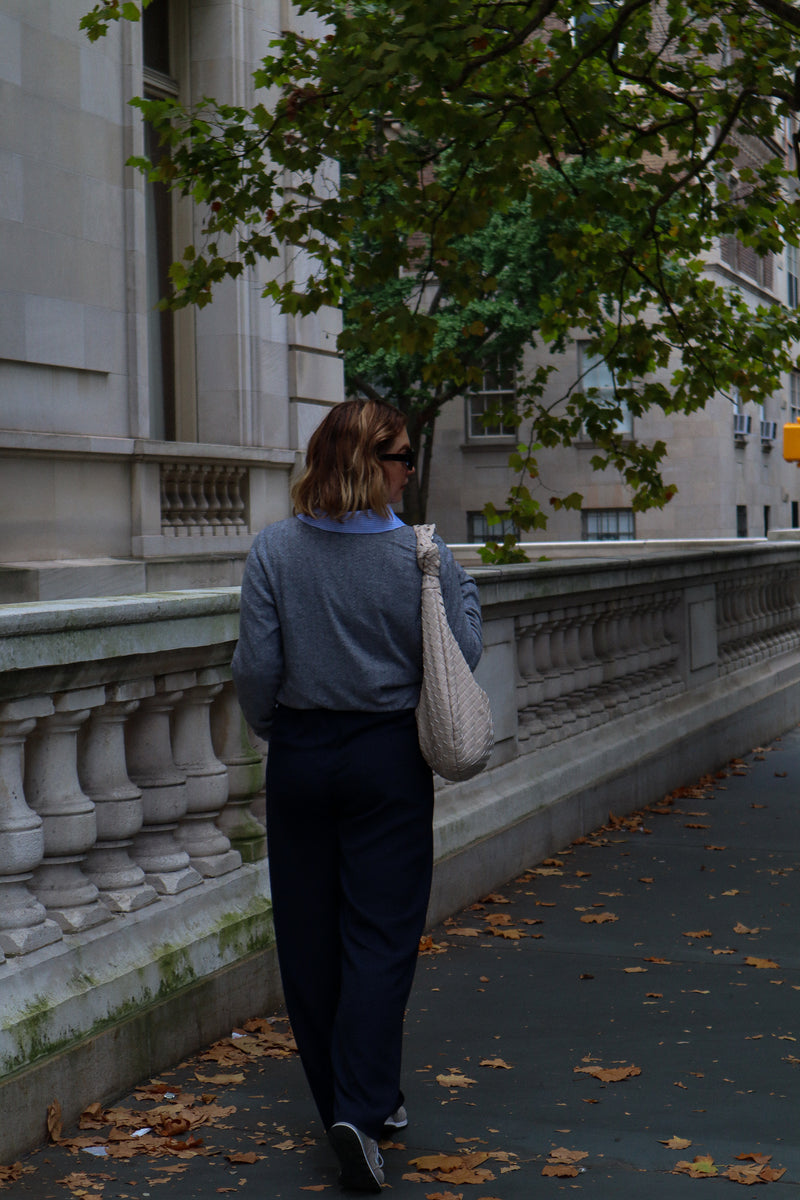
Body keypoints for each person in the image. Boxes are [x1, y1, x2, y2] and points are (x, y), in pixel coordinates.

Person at [231, 398, 483, 1193]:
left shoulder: (273, 550)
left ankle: (353, 1100)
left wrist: (281, 727)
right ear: (372, 464)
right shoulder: (421, 554)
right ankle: (360, 1110)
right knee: (379, 937)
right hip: (385, 760)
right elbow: (460, 651)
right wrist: (459, 595)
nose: (410, 468)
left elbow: (256, 670)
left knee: (309, 935)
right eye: (403, 456)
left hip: (301, 755)